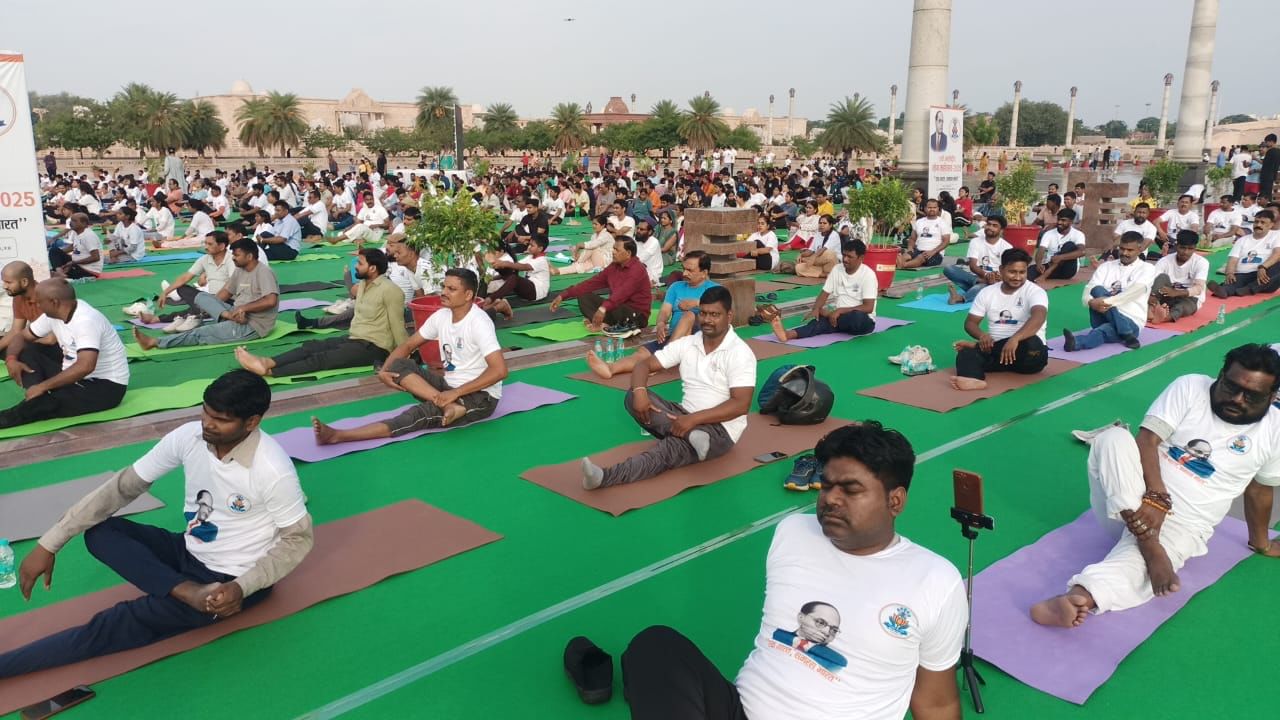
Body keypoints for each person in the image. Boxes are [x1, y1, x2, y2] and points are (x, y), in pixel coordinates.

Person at [618, 421, 966, 719]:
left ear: (895, 501)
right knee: (655, 647)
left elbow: (936, 701)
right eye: (827, 485)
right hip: (744, 712)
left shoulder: (934, 580)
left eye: (851, 489)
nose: (831, 498)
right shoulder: (793, 532)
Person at [0, 371, 312, 678]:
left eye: (220, 419)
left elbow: (297, 539)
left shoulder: (272, 468)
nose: (207, 423)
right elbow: (122, 487)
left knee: (109, 627)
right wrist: (50, 542)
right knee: (101, 532)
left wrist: (240, 587)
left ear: (252, 422)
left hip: (228, 580)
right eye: (205, 412)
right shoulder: (190, 436)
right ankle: (185, 590)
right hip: (188, 551)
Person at [1030, 345, 1280, 628]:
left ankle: (1080, 596)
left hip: (1183, 525)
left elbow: (1259, 490)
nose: (1237, 399)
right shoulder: (1190, 387)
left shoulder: (1275, 430)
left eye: (1252, 396)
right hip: (1131, 501)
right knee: (1112, 439)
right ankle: (1149, 544)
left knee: (1136, 567)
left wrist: (1261, 543)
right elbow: (1147, 440)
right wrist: (1156, 499)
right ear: (1220, 375)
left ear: (1272, 397)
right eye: (1230, 386)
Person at [580, 286, 754, 489]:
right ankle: (690, 435)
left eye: (715, 315)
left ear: (729, 316)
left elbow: (741, 405)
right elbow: (644, 365)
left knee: (668, 450)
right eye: (704, 313)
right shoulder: (689, 343)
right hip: (681, 415)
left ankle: (604, 477)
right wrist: (640, 392)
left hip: (720, 430)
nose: (707, 320)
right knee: (632, 397)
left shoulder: (740, 352)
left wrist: (693, 420)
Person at [312, 269, 508, 442]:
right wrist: (384, 371)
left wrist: (455, 393)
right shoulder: (442, 316)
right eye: (444, 287)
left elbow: (500, 370)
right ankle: (449, 405)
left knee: (417, 415)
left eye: (451, 289)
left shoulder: (479, 322)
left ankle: (338, 436)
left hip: (481, 397)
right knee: (398, 364)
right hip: (450, 388)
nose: (444, 292)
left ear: (468, 295)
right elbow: (408, 345)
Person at [236, 249, 406, 378]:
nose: (356, 266)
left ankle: (271, 371)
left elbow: (398, 327)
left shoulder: (390, 290)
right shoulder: (362, 285)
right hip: (354, 338)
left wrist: (408, 356)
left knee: (322, 359)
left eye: (360, 263)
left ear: (373, 268)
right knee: (312, 346)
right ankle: (267, 361)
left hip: (375, 347)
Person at [0, 279, 129, 428]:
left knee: (45, 405)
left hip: (104, 386)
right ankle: (35, 392)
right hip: (70, 374)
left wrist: (43, 387)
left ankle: (33, 400)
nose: (36, 303)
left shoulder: (86, 320)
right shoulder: (53, 314)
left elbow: (85, 366)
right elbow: (22, 336)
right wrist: (11, 359)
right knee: (24, 349)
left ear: (54, 302)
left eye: (39, 301)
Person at [133, 239, 278, 350]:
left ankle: (155, 342)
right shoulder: (240, 270)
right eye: (233, 254)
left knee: (202, 332)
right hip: (236, 315)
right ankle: (228, 317)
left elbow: (271, 301)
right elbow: (226, 292)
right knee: (202, 297)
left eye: (237, 255)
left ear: (250, 256)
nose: (233, 258)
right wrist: (211, 308)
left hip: (253, 325)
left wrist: (243, 309)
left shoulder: (263, 272)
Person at [952, 248, 1049, 391]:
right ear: (1001, 270)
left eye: (1022, 272)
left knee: (1032, 342)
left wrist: (1015, 338)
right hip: (998, 354)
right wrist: (982, 335)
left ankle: (977, 346)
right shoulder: (987, 292)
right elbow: (970, 323)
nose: (1017, 277)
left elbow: (1039, 317)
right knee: (965, 354)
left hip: (1027, 356)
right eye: (1012, 272)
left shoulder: (1035, 291)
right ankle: (974, 379)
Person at [1063, 232, 1157, 352]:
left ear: (1140, 250)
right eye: (1122, 249)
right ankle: (1126, 334)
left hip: (1131, 321)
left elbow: (1134, 292)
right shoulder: (1106, 267)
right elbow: (1089, 289)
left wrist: (1107, 301)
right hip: (1101, 315)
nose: (1124, 253)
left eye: (1130, 250)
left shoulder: (1147, 269)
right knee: (1097, 290)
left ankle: (1077, 342)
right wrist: (1091, 302)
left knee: (1104, 330)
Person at [768, 239, 878, 342]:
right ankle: (788, 334)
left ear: (861, 258)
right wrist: (816, 308)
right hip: (836, 317)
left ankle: (829, 317)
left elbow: (868, 307)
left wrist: (838, 311)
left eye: (850, 256)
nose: (845, 259)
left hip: (860, 320)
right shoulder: (837, 269)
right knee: (817, 323)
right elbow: (824, 293)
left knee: (855, 317)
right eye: (844, 255)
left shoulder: (868, 275)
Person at [550, 238, 651, 337]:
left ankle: (607, 323)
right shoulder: (614, 266)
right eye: (613, 248)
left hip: (635, 314)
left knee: (615, 305)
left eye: (617, 250)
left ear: (628, 253)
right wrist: (564, 295)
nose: (613, 252)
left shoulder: (637, 270)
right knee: (583, 295)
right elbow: (591, 283)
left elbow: (622, 294)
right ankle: (605, 323)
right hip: (616, 307)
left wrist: (603, 308)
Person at [141, 231, 237, 328]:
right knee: (182, 288)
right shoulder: (205, 259)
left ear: (222, 246)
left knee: (198, 308)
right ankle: (199, 311)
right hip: (210, 298)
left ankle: (158, 319)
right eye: (205, 243)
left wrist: (212, 303)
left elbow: (231, 285)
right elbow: (186, 277)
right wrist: (165, 292)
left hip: (227, 300)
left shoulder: (231, 260)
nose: (206, 247)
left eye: (210, 244)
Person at [1, 262, 64, 389]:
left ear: (24, 282)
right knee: (12, 344)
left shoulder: (48, 297)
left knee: (24, 348)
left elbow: (52, 339)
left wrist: (20, 341)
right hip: (39, 341)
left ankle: (35, 388)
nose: (4, 286)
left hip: (60, 348)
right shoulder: (18, 298)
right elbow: (15, 331)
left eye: (8, 282)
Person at [642, 251, 720, 352]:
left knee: (689, 315)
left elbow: (721, 312)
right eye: (684, 269)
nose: (684, 273)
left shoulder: (716, 290)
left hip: (699, 341)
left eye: (690, 270)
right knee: (640, 354)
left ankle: (668, 353)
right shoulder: (676, 286)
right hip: (673, 336)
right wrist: (661, 323)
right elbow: (665, 310)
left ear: (704, 273)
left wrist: (697, 303)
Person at [1207, 210, 1280, 297]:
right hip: (1242, 274)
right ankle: (1224, 290)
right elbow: (1233, 259)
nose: (1258, 225)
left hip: (1264, 277)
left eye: (1263, 222)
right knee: (1233, 282)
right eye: (1256, 222)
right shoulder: (1242, 240)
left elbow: (1277, 254)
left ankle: (1250, 289)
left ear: (1271, 225)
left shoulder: (1276, 235)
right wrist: (1229, 273)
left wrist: (1263, 267)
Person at [944, 216, 1012, 304]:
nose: (990, 227)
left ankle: (961, 298)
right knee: (949, 268)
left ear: (1001, 230)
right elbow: (973, 265)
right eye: (989, 224)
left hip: (994, 282)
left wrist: (996, 279)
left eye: (995, 226)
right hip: (977, 278)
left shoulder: (1007, 247)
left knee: (983, 287)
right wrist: (985, 277)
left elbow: (1008, 271)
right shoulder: (975, 241)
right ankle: (978, 285)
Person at [484, 234, 552, 320]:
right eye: (529, 244)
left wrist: (504, 263)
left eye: (532, 245)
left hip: (536, 292)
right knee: (511, 273)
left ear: (540, 248)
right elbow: (515, 267)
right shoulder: (530, 257)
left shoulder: (542, 260)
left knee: (514, 278)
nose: (529, 247)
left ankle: (491, 298)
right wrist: (494, 277)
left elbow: (523, 267)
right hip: (529, 288)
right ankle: (493, 297)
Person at [1148, 231, 1210, 324]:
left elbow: (1199, 288)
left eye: (1190, 249)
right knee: (1161, 277)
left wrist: (1177, 292)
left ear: (1195, 248)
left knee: (1180, 308)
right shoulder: (1165, 260)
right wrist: (1153, 295)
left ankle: (1164, 317)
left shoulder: (1201, 262)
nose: (1186, 252)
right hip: (1167, 294)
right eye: (1182, 248)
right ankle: (1152, 307)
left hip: (1190, 298)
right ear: (1176, 246)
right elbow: (1153, 281)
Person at [1029, 209, 1087, 283]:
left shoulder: (1078, 234)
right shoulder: (1049, 234)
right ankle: (1045, 274)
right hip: (1050, 266)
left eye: (1063, 220)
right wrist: (1039, 264)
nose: (1059, 222)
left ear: (1071, 221)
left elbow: (1082, 252)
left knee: (1069, 245)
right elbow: (1041, 250)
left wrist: (1060, 257)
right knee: (1030, 271)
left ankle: (1045, 275)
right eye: (1058, 219)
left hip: (1068, 270)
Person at [899, 198, 951, 269]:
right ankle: (900, 263)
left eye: (934, 207)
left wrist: (933, 252)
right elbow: (912, 239)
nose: (932, 209)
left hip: (935, 254)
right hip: (918, 250)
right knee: (905, 256)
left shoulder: (942, 223)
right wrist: (910, 249)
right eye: (929, 207)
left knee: (921, 257)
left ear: (938, 208)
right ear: (925, 208)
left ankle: (903, 265)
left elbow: (946, 241)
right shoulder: (919, 222)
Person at [49, 212, 102, 279]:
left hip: (88, 271)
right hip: (77, 265)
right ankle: (60, 273)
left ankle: (60, 273)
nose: (71, 223)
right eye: (71, 220)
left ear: (84, 223)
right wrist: (59, 254)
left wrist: (73, 263)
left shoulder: (88, 235)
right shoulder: (77, 233)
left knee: (50, 273)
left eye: (74, 221)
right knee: (54, 251)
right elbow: (73, 246)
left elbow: (96, 257)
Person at [796, 214, 841, 278]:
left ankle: (828, 272)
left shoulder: (834, 234)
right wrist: (801, 255)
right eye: (820, 223)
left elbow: (824, 249)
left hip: (833, 262)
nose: (821, 225)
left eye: (824, 223)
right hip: (820, 263)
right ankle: (825, 274)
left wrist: (811, 258)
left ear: (830, 225)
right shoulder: (818, 234)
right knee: (798, 268)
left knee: (829, 253)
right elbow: (811, 250)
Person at [634, 220, 664, 286]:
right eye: (637, 228)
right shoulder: (636, 239)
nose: (638, 231)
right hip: (637, 270)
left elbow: (640, 260)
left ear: (650, 232)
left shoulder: (654, 242)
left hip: (652, 274)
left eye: (641, 229)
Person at [1258, 133, 1279, 202]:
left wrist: (1255, 159)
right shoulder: (1278, 151)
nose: (1266, 143)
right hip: (1272, 176)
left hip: (1266, 176)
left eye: (1267, 142)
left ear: (1272, 142)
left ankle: (1264, 208)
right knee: (1268, 193)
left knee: (1264, 194)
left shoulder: (1270, 151)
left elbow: (1265, 164)